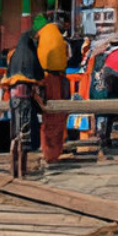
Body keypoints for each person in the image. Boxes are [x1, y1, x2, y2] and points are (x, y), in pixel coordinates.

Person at [1, 30, 45, 177]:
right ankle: (22, 169)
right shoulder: (30, 55)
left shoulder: (14, 55)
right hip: (25, 98)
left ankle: (14, 168)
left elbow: (8, 74)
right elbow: (39, 75)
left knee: (15, 131)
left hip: (13, 99)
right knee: (24, 133)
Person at [35, 13, 70, 165]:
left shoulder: (43, 36)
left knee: (48, 119)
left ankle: (48, 153)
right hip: (58, 81)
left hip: (45, 81)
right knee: (58, 118)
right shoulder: (57, 36)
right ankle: (54, 152)